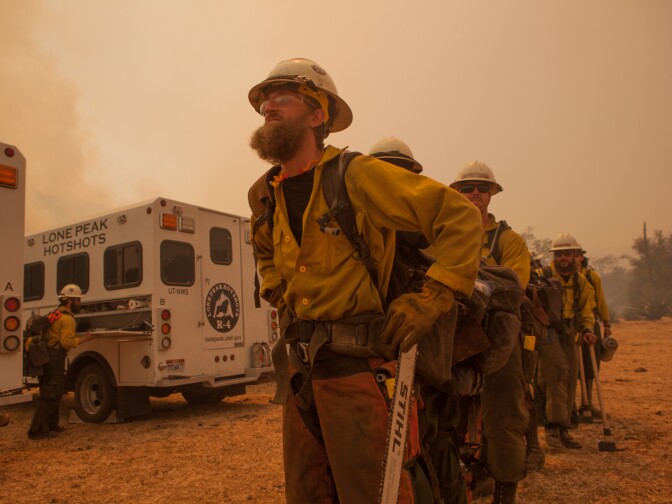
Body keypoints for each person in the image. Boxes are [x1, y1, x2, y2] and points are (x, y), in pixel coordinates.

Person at [247, 58, 482, 504]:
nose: (268, 109)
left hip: (359, 368)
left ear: (317, 116)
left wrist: (433, 296)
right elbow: (264, 253)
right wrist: (277, 290)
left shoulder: (353, 174)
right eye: (263, 103)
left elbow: (460, 217)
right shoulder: (263, 194)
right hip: (300, 372)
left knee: (374, 493)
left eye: (282, 99)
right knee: (307, 492)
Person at [370, 137, 467, 504]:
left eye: (400, 171)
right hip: (380, 362)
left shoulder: (433, 226)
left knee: (429, 447)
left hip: (426, 365)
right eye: (384, 170)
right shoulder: (359, 225)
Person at [450, 161, 530, 504]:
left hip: (499, 338)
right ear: (456, 192)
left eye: (482, 188)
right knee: (446, 414)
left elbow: (513, 290)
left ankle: (505, 491)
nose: (475, 193)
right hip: (453, 336)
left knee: (503, 417)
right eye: (467, 187)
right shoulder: (446, 234)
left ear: (491, 194)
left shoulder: (509, 241)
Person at [534, 233, 596, 449]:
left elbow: (586, 310)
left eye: (567, 254)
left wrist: (588, 329)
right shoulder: (541, 276)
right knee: (556, 374)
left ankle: (563, 429)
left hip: (569, 333)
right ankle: (552, 429)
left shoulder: (581, 281)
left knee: (570, 377)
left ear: (576, 255)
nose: (563, 258)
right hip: (547, 332)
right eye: (559, 254)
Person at [28, 284, 95, 439]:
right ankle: (37, 430)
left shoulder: (55, 314)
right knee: (51, 394)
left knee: (54, 392)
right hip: (55, 358)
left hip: (47, 357)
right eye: (78, 300)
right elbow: (66, 342)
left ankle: (52, 425)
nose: (80, 303)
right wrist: (85, 339)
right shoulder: (68, 319)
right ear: (70, 301)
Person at [575, 248, 611, 418]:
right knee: (571, 367)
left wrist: (606, 324)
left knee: (591, 364)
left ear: (581, 257)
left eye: (576, 254)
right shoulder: (557, 277)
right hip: (572, 325)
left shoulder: (591, 277)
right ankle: (571, 408)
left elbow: (601, 300)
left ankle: (587, 402)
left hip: (590, 323)